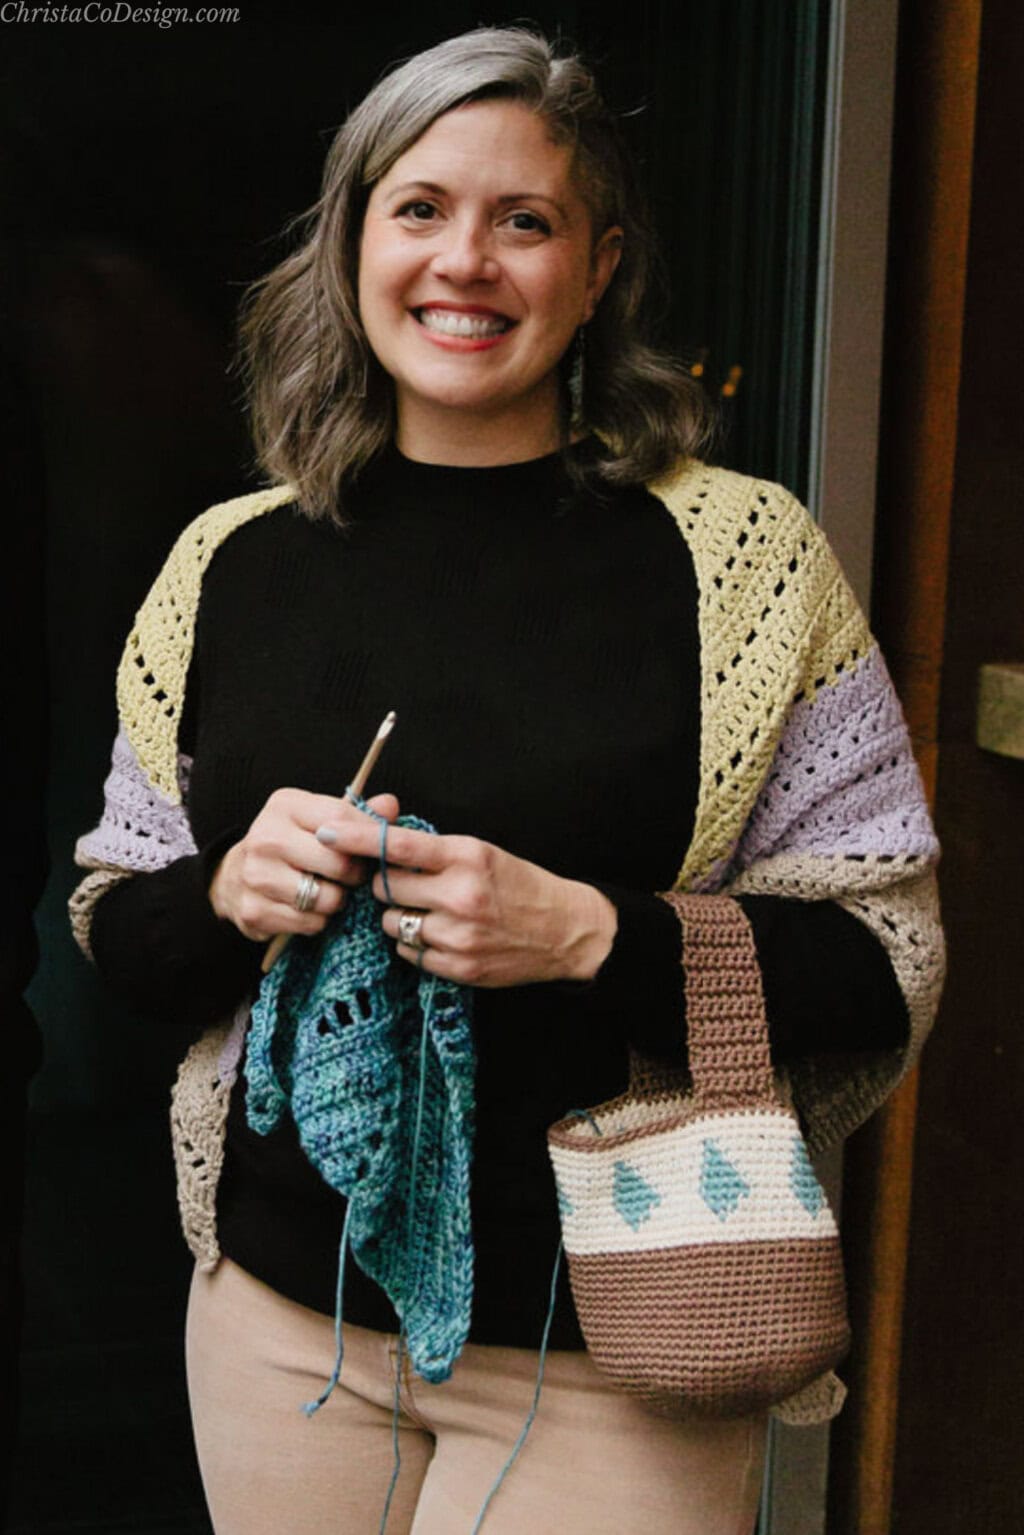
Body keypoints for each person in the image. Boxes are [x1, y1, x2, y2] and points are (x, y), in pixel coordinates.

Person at [69, 27, 944, 1535]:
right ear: (351, 242)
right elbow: (115, 922)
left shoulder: (745, 561)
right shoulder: (229, 563)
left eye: (522, 221)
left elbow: (888, 957)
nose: (464, 261)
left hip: (619, 1353)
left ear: (599, 267)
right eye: (418, 210)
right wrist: (225, 895)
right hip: (283, 1327)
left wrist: (592, 937)